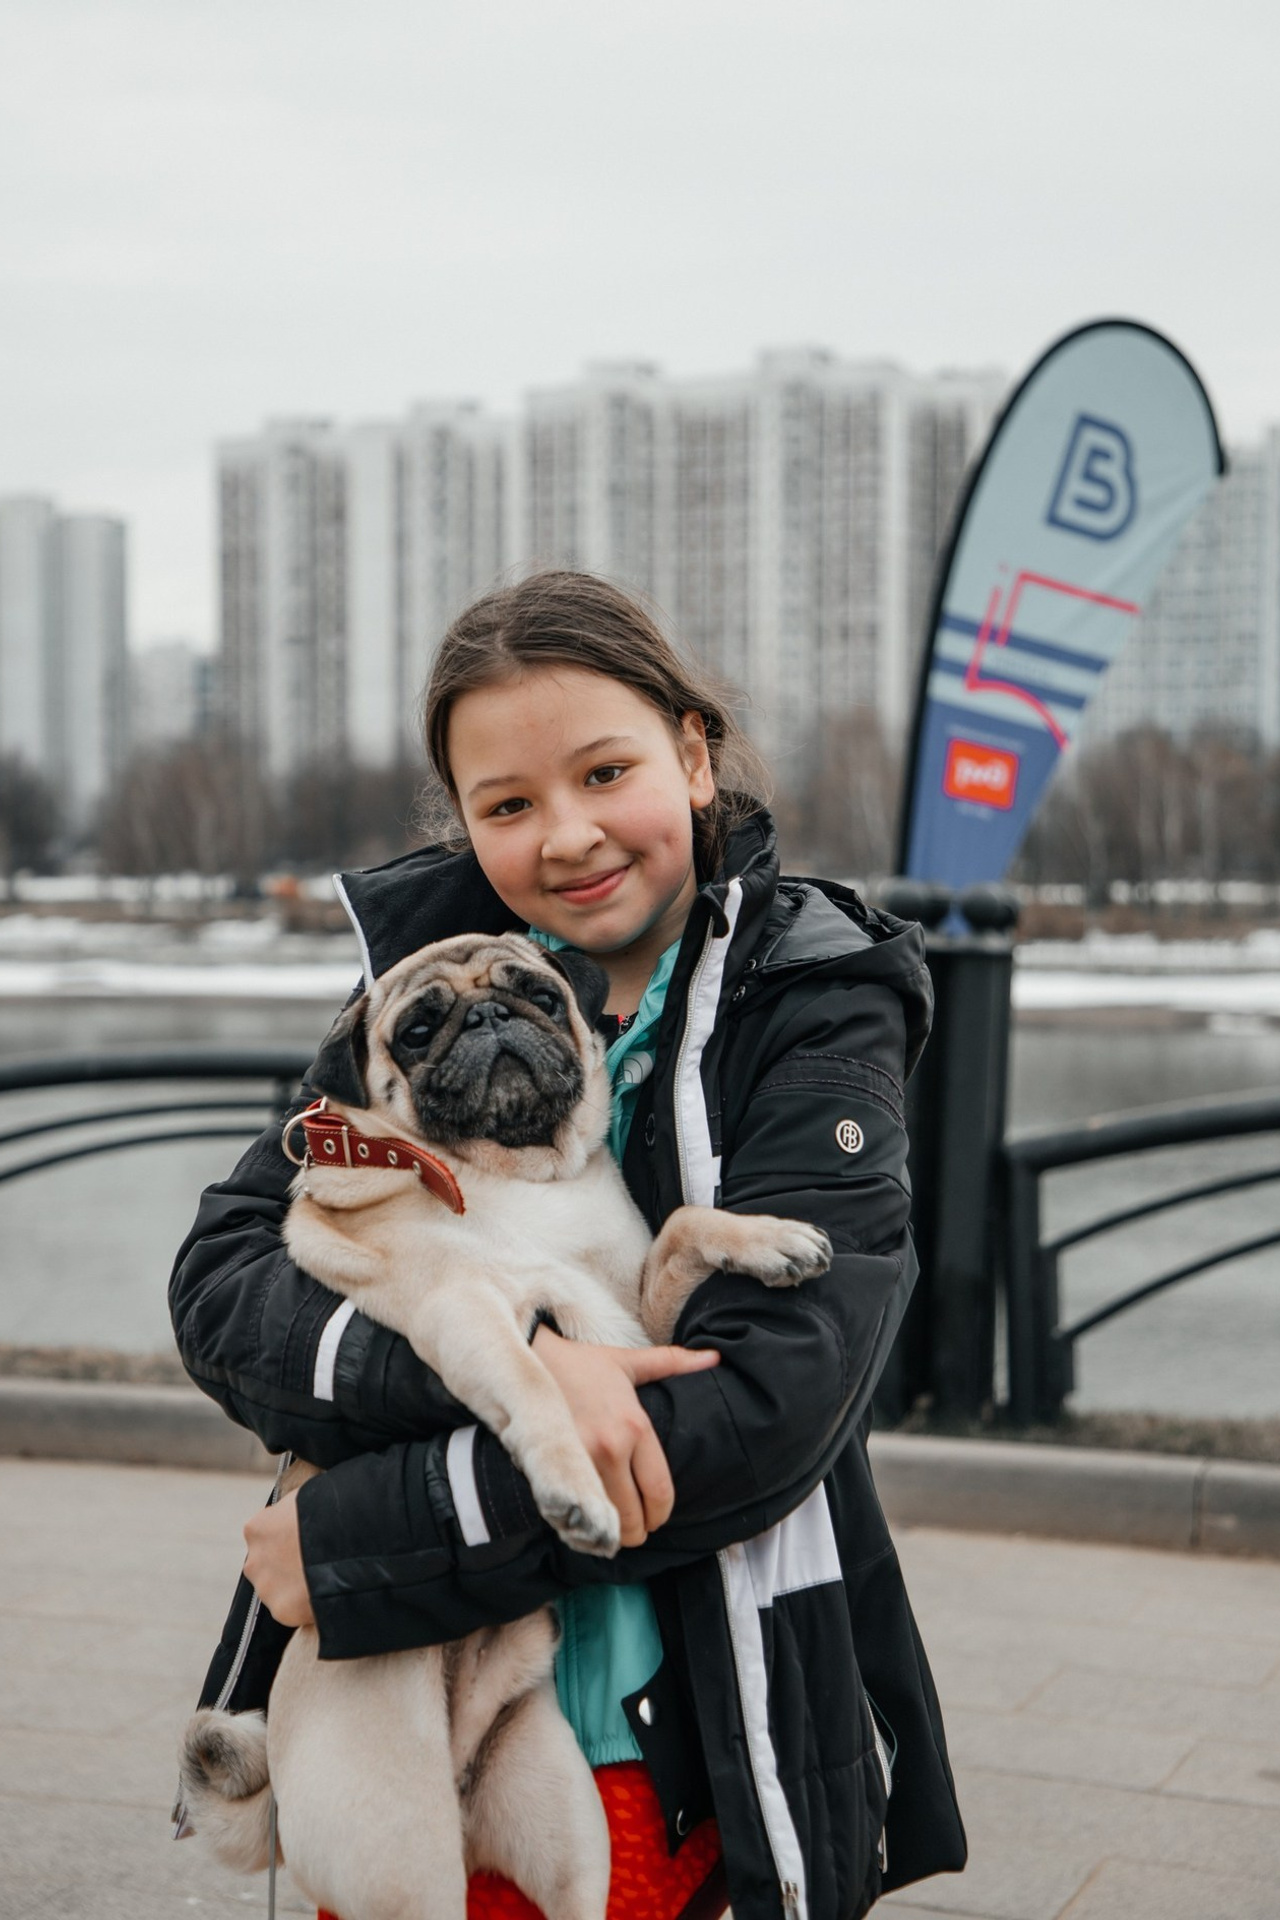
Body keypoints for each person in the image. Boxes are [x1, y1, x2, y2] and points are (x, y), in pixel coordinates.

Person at [169, 569, 966, 1920]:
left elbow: (770, 1408)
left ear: (693, 752)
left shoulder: (814, 996)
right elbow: (228, 1276)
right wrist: (501, 1367)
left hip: (683, 1731)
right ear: (466, 823)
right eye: (510, 804)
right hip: (394, 1702)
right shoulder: (412, 981)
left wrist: (358, 1533)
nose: (571, 834)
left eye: (606, 771)